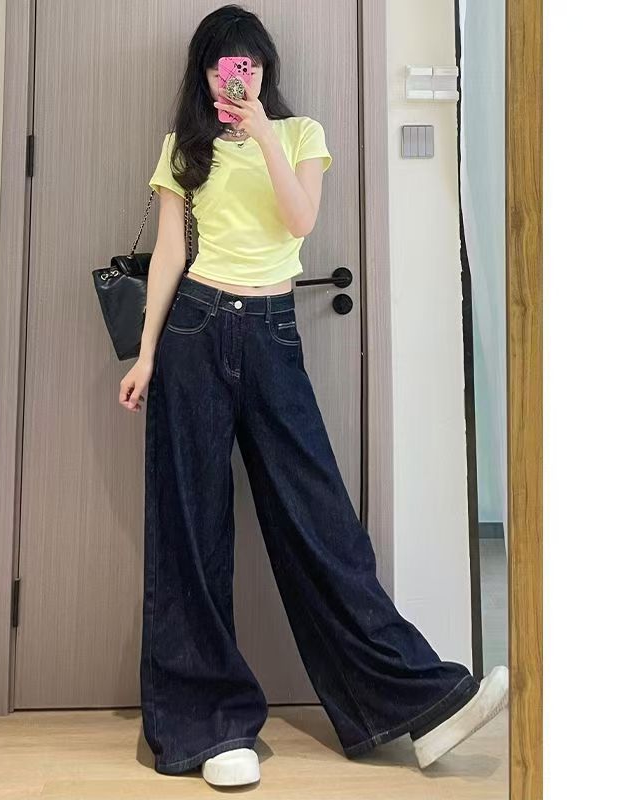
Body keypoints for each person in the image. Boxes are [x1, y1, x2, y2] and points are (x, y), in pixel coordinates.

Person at [118, 4, 508, 788]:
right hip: (194, 330)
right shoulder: (183, 148)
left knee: (319, 522)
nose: (237, 78)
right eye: (224, 66)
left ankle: (415, 703)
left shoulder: (300, 135)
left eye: (249, 65)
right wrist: (147, 351)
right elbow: (168, 252)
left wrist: (264, 132)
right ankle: (205, 727)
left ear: (266, 71)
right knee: (191, 527)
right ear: (204, 74)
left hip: (271, 333)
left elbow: (298, 223)